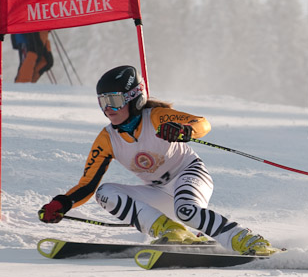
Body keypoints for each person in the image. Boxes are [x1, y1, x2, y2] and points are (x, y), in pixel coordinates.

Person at [38, 65, 277, 256]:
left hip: (190, 175)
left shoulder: (156, 117)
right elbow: (87, 184)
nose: (108, 109)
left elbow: (202, 123)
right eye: (103, 102)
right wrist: (62, 204)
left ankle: (243, 238)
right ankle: (171, 231)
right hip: (158, 191)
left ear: (133, 98)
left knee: (186, 210)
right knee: (105, 192)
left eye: (114, 101)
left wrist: (185, 131)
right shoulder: (107, 139)